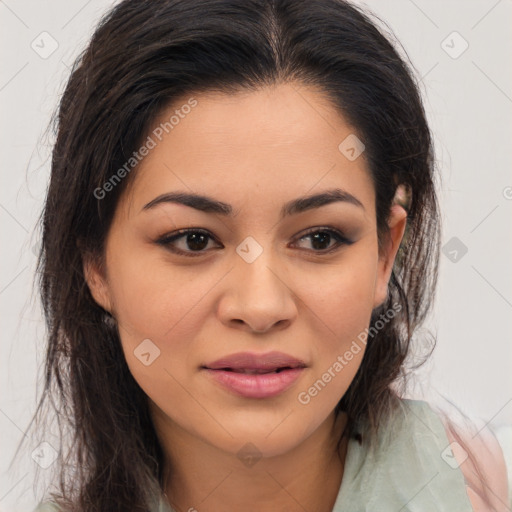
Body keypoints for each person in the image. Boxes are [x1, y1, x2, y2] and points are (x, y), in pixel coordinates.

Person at [25, 0, 508, 511]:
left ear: (386, 251)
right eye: (194, 239)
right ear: (95, 265)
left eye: (320, 238)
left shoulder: (480, 486)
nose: (260, 307)